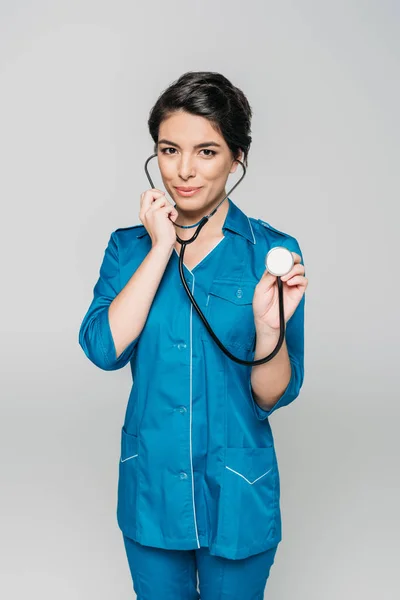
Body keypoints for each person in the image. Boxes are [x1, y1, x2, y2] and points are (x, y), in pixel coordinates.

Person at [78, 71, 308, 599]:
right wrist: (160, 248)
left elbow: (271, 394)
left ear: (237, 158)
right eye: (169, 149)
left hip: (237, 491)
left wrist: (268, 327)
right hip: (152, 487)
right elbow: (102, 349)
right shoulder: (127, 248)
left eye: (206, 151)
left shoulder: (270, 254)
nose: (183, 171)